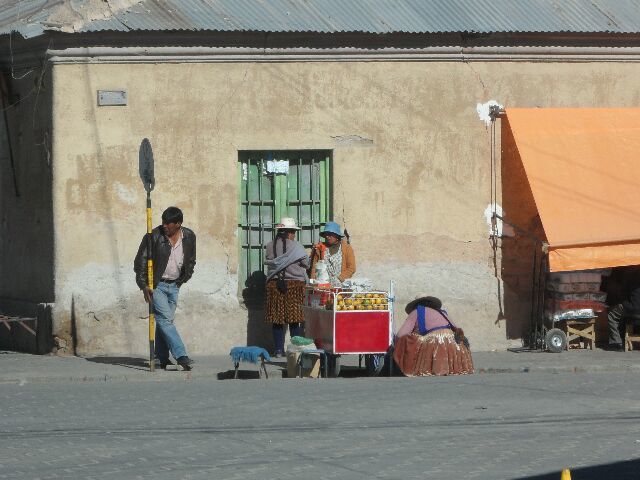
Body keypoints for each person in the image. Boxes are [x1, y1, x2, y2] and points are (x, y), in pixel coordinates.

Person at [134, 206, 196, 370]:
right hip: (157, 286)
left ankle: (160, 358)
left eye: (168, 223)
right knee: (165, 320)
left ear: (178, 224)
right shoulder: (153, 236)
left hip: (175, 285)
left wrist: (184, 278)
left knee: (164, 322)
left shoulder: (189, 236)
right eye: (163, 222)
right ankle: (181, 355)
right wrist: (144, 285)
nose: (165, 226)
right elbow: (140, 263)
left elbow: (191, 261)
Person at [393, 295, 474, 376]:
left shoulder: (416, 311)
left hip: (434, 340)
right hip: (451, 339)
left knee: (406, 339)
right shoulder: (442, 312)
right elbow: (455, 328)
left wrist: (395, 345)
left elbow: (401, 334)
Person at [265, 217, 310, 357]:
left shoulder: (269, 245)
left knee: (277, 320)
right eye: (293, 232)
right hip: (294, 285)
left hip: (274, 285)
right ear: (289, 232)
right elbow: (306, 264)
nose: (294, 235)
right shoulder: (297, 247)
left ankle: (278, 350)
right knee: (294, 319)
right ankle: (294, 350)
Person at [309, 221, 356, 286]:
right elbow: (314, 268)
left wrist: (341, 278)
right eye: (326, 234)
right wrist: (312, 282)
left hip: (341, 285)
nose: (327, 237)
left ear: (337, 236)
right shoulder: (320, 248)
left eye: (330, 234)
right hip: (322, 286)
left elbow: (351, 268)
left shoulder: (346, 248)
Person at [606, 266, 640, 351]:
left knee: (611, 314)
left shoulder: (630, 277)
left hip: (633, 309)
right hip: (634, 308)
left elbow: (623, 294)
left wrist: (621, 302)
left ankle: (616, 342)